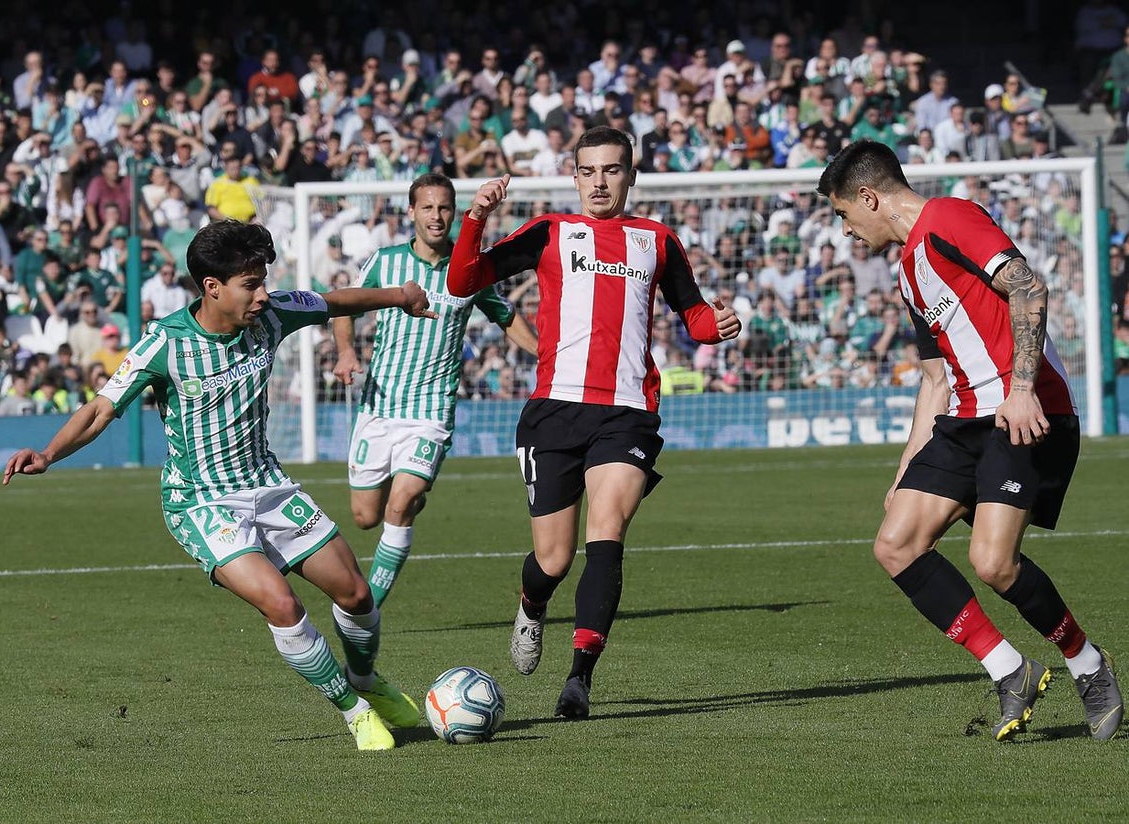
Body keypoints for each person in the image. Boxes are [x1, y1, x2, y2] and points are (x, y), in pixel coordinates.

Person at [3, 219, 436, 752]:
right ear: (213, 288)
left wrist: (400, 296)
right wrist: (48, 453)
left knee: (357, 593)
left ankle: (366, 679)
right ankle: (354, 709)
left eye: (264, 281)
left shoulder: (272, 314)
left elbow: (332, 301)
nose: (263, 293)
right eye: (251, 284)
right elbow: (100, 409)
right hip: (202, 503)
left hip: (268, 485)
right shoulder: (165, 342)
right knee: (281, 603)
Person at [816, 140, 1123, 741]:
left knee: (992, 563)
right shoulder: (908, 270)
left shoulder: (951, 218)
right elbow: (935, 377)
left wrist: (1023, 387)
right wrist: (907, 465)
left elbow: (1028, 289)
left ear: (870, 198)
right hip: (962, 419)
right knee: (896, 544)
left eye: (844, 215)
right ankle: (1010, 670)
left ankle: (1087, 663)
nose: (847, 231)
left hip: (1025, 410)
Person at [447, 127, 742, 719]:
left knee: (606, 535)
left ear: (631, 176)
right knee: (553, 561)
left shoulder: (658, 241)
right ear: (574, 176)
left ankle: (579, 679)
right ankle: (532, 604)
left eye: (612, 170)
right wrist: (476, 216)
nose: (599, 182)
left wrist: (719, 324)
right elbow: (462, 281)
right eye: (588, 171)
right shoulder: (551, 232)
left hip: (627, 411)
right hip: (554, 410)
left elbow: (694, 316)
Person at [331, 173, 537, 608]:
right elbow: (343, 304)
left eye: (444, 207)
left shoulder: (469, 269)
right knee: (365, 516)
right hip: (379, 406)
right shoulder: (384, 261)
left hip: (431, 411)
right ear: (411, 213)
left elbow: (506, 316)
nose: (437, 216)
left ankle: (365, 609)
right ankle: (409, 501)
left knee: (400, 502)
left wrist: (546, 355)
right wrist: (347, 352)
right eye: (427, 207)